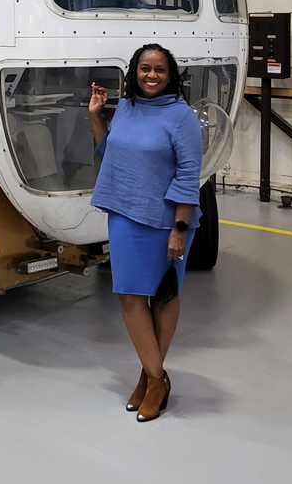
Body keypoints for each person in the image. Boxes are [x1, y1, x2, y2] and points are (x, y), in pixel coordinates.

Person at [88, 43, 202, 422]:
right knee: (129, 298)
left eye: (159, 70)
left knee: (163, 297)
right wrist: (95, 116)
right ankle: (156, 376)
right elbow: (109, 153)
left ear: (171, 76)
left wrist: (180, 228)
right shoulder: (126, 106)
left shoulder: (181, 116)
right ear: (134, 72)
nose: (151, 75)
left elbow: (189, 174)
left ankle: (151, 380)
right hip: (124, 212)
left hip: (166, 221)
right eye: (144, 68)